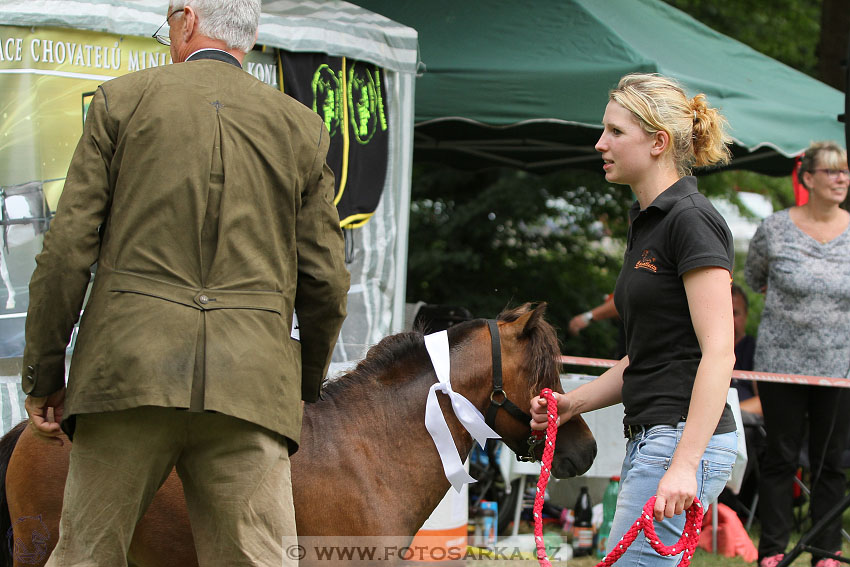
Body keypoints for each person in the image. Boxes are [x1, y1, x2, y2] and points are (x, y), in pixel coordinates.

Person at [21, 1, 350, 565]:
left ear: (187, 19)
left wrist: (45, 372)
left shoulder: (120, 102)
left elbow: (67, 250)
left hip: (127, 373)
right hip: (249, 384)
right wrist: (301, 382)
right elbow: (326, 280)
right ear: (249, 36)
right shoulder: (302, 128)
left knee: (86, 557)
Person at [531, 73, 738, 566]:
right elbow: (648, 357)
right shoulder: (649, 220)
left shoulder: (691, 219)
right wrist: (569, 405)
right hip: (657, 435)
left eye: (615, 132)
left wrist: (685, 465)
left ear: (658, 142)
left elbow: (719, 352)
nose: (600, 143)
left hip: (679, 438)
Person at [745, 141, 850, 567]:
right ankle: (772, 550)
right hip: (781, 365)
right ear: (807, 178)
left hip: (840, 366)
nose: (841, 178)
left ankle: (825, 551)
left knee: (832, 460)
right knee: (781, 457)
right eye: (831, 172)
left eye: (844, 171)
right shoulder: (774, 228)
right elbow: (754, 278)